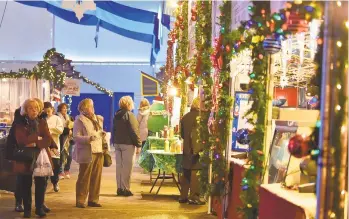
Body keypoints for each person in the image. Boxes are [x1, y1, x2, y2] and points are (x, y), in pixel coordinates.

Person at [14, 98, 58, 218]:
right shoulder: (20, 123)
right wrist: (38, 138)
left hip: (41, 157)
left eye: (36, 108)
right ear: (25, 110)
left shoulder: (42, 122)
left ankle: (39, 207)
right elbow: (22, 140)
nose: (34, 110)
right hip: (25, 157)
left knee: (41, 184)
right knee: (25, 184)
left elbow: (48, 139)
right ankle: (27, 209)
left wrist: (36, 143)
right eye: (31, 108)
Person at [73, 98, 105, 208]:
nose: (92, 108)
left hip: (98, 150)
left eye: (92, 106)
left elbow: (98, 132)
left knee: (96, 177)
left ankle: (93, 199)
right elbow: (76, 137)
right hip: (87, 151)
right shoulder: (79, 120)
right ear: (84, 108)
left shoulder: (97, 119)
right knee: (84, 176)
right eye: (90, 106)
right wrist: (89, 138)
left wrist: (102, 135)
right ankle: (80, 200)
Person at [113, 96, 142, 196]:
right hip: (128, 144)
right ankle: (126, 189)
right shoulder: (130, 115)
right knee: (127, 167)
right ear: (129, 104)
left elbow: (114, 129)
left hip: (117, 144)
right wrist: (139, 144)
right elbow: (134, 131)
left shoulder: (116, 115)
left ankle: (119, 188)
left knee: (119, 167)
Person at [179, 98, 205, 205]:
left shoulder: (184, 117)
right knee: (195, 172)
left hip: (186, 149)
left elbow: (182, 135)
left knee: (186, 173)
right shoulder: (201, 118)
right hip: (196, 149)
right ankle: (194, 196)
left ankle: (183, 196)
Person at [44, 102, 64, 192]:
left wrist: (50, 130)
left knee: (55, 165)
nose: (47, 112)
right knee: (44, 165)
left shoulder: (57, 118)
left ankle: (55, 182)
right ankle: (44, 184)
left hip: (54, 145)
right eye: (46, 110)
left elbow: (60, 130)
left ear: (52, 109)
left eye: (49, 110)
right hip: (44, 146)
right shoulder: (42, 119)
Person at [57, 103, 74, 180]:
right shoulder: (57, 117)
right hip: (61, 138)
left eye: (66, 108)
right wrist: (67, 130)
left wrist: (71, 130)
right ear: (60, 109)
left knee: (70, 155)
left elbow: (73, 127)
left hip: (69, 139)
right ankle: (60, 171)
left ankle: (67, 170)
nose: (65, 109)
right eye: (63, 108)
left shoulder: (69, 117)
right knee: (62, 155)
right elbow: (58, 128)